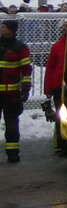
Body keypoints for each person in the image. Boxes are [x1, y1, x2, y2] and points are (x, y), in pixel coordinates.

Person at [0, 18, 32, 164]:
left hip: (11, 95)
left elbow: (26, 71)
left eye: (4, 27)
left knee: (11, 125)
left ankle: (13, 153)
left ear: (11, 30)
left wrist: (25, 89)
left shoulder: (20, 48)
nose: (1, 29)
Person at [43, 21, 67, 155]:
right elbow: (50, 68)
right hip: (59, 87)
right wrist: (48, 88)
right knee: (62, 115)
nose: (64, 29)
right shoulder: (57, 47)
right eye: (63, 27)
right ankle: (63, 145)